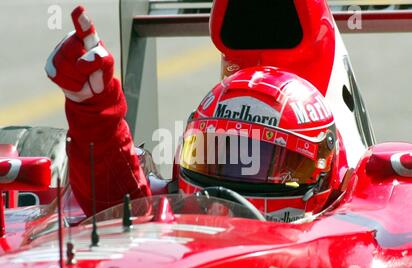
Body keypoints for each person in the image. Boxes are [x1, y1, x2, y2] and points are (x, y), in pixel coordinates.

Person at [46, 6, 347, 221]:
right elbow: (115, 203)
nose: (230, 182)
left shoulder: (352, 226)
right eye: (214, 156)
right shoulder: (173, 214)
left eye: (263, 162)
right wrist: (93, 109)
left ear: (319, 172)